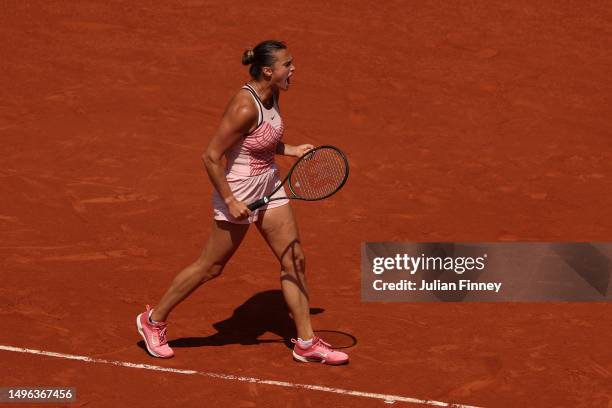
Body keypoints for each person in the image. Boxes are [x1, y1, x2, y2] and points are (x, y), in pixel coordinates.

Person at [136, 40, 348, 365]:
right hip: (237, 189)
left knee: (295, 259)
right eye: (287, 64)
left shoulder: (274, 92)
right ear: (268, 70)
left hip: (270, 184)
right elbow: (210, 156)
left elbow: (260, 139)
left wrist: (289, 150)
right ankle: (153, 322)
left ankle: (305, 342)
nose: (293, 69)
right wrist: (231, 200)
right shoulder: (244, 106)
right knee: (211, 267)